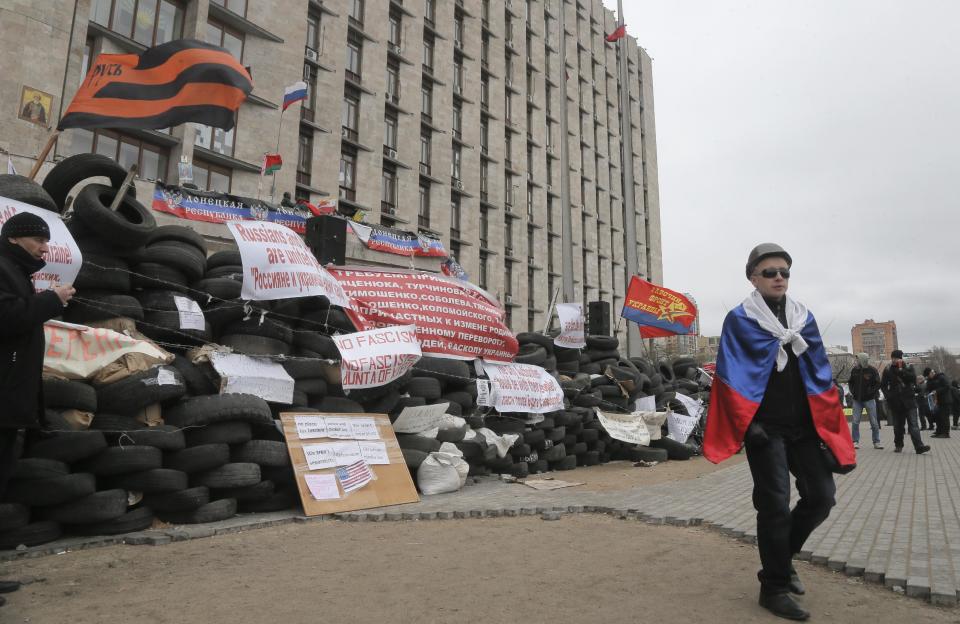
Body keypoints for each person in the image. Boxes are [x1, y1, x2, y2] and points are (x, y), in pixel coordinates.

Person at [704, 243, 854, 621]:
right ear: (754, 277)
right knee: (773, 506)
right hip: (765, 429)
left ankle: (781, 563)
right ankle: (773, 588)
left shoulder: (804, 318)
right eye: (770, 272)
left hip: (804, 428)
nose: (779, 278)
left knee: (821, 497)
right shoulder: (740, 320)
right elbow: (729, 376)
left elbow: (819, 371)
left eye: (784, 272)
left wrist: (828, 421)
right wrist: (748, 424)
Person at [0, 212, 75, 607]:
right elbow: (6, 317)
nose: (45, 249)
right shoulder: (2, 269)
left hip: (10, 400)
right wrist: (51, 299)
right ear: (15, 238)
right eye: (39, 241)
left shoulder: (16, 271)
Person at [880, 350, 930, 455]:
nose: (895, 360)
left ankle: (919, 446)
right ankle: (898, 445)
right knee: (898, 426)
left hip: (909, 400)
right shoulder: (888, 369)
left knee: (914, 425)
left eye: (897, 358)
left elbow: (912, 379)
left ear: (901, 358)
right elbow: (883, 385)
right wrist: (888, 396)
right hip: (896, 402)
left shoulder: (908, 367)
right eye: (893, 358)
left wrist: (901, 370)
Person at [848, 353, 882, 449]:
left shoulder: (872, 370)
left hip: (869, 400)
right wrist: (853, 391)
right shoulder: (854, 370)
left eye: (858, 359)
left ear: (863, 360)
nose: (856, 361)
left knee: (874, 422)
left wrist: (871, 392)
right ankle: (855, 441)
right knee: (855, 421)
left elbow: (878, 383)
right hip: (857, 400)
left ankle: (876, 442)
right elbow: (850, 382)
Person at [923, 367, 953, 438]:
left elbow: (947, 386)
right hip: (936, 401)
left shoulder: (941, 377)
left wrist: (937, 391)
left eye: (928, 376)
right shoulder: (930, 380)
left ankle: (945, 433)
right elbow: (928, 388)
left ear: (931, 372)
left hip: (945, 400)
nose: (928, 377)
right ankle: (939, 431)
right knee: (938, 417)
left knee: (944, 417)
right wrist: (926, 393)